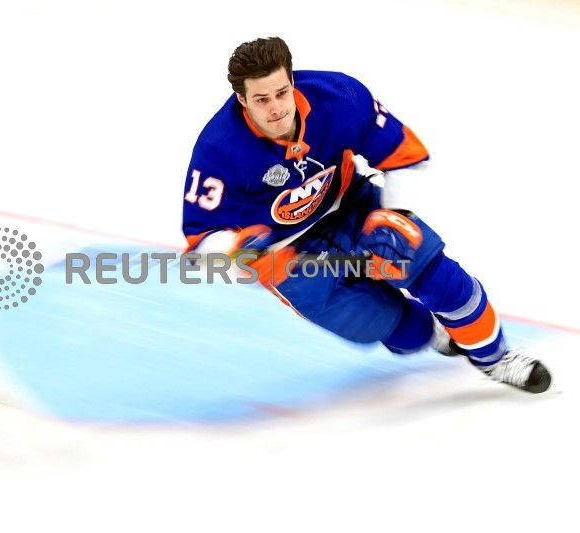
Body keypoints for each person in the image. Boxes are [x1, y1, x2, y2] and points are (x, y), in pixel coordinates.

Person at [181, 36, 551, 393]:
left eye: (282, 92)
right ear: (242, 99)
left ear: (292, 81)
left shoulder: (339, 96)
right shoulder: (218, 150)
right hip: (286, 255)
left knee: (441, 279)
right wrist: (242, 254)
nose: (276, 108)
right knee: (403, 333)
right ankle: (436, 334)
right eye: (261, 99)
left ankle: (496, 359)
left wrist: (397, 215)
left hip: (352, 204)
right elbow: (201, 242)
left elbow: (404, 155)